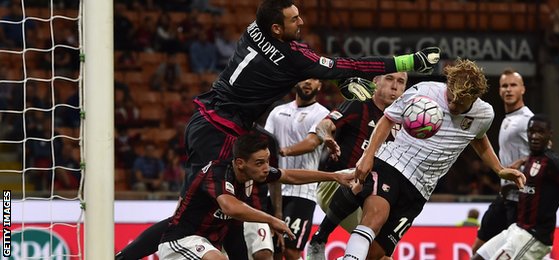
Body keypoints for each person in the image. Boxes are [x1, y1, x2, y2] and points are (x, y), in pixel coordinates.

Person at [116, 0, 440, 257]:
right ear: (277, 26)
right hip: (218, 132)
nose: (301, 23)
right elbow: (344, 64)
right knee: (193, 217)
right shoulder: (292, 57)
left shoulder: (253, 30)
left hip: (210, 121)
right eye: (294, 19)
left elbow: (301, 68)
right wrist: (408, 62)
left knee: (224, 213)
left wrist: (340, 79)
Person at [339, 59, 526, 260]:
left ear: (473, 99)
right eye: (451, 98)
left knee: (376, 253)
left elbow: (479, 139)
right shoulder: (424, 91)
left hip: (420, 189)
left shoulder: (484, 114)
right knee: (375, 217)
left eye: (460, 103)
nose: (453, 105)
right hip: (392, 165)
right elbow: (388, 118)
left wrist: (499, 169)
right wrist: (367, 156)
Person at [157, 132, 355, 260]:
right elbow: (230, 207)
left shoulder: (252, 172)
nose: (266, 168)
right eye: (260, 163)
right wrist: (272, 219)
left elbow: (289, 175)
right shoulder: (217, 173)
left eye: (267, 161)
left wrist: (334, 176)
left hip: (209, 243)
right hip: (181, 241)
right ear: (241, 163)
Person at [473, 115, 559, 259]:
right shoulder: (531, 159)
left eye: (540, 132)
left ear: (549, 135)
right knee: (477, 257)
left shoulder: (555, 163)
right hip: (516, 229)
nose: (535, 136)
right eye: (531, 132)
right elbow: (534, 191)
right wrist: (511, 190)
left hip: (535, 236)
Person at [306, 72, 408, 260]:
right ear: (375, 83)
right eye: (389, 79)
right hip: (334, 184)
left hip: (367, 195)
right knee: (364, 171)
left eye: (400, 82)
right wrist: (327, 137)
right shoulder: (359, 104)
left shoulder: (403, 124)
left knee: (380, 255)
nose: (394, 86)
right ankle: (320, 238)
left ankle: (323, 240)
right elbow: (324, 125)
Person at [264, 78, 330, 260]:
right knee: (273, 249)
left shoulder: (323, 114)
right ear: (296, 82)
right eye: (304, 78)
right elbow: (266, 141)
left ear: (320, 85)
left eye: (314, 79)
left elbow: (311, 143)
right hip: (274, 190)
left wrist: (283, 152)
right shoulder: (278, 112)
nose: (308, 83)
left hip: (303, 191)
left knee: (292, 250)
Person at [470, 69, 534, 255]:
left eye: (513, 85)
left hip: (521, 201)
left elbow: (546, 154)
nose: (508, 89)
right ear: (499, 91)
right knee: (478, 250)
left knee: (513, 255)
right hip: (504, 197)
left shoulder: (527, 120)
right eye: (504, 86)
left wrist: (521, 161)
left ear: (523, 89)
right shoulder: (508, 119)